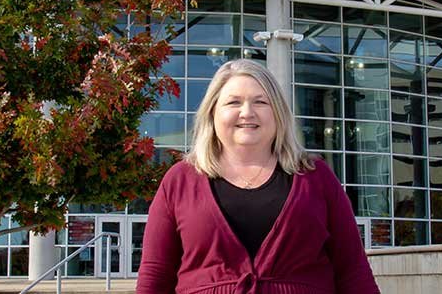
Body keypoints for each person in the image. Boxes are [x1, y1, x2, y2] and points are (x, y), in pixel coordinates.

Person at [136, 60, 380, 294]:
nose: (247, 112)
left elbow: (352, 270)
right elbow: (156, 275)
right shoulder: (179, 181)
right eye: (233, 102)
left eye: (261, 102)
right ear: (212, 113)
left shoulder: (315, 176)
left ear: (278, 113)